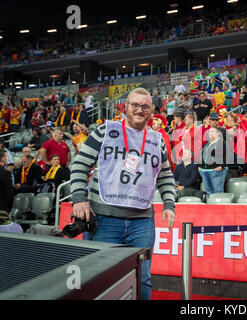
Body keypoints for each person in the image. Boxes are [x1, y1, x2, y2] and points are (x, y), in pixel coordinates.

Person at [70, 87, 176, 300]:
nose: (139, 110)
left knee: (142, 277)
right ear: (125, 107)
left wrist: (169, 205)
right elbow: (80, 164)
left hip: (142, 222)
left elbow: (165, 176)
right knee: (98, 277)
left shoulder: (157, 140)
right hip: (104, 219)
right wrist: (78, 199)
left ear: (152, 110)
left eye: (145, 106)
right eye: (135, 105)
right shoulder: (105, 131)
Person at [199, 126, 229, 198]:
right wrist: (200, 166)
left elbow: (228, 156)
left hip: (216, 171)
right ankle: (210, 208)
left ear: (218, 133)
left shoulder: (222, 143)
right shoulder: (207, 144)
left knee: (217, 192)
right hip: (205, 170)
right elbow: (202, 155)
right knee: (208, 192)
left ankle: (219, 208)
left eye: (212, 131)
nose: (210, 133)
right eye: (209, 131)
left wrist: (221, 166)